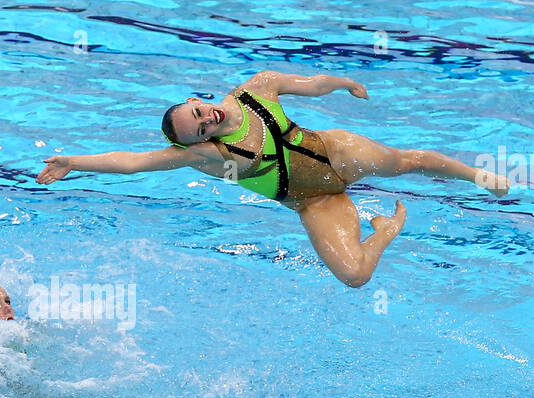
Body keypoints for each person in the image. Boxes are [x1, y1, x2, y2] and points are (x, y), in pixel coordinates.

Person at [36, 70, 510, 287]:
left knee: (410, 160)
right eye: (199, 127)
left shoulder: (255, 88)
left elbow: (310, 84)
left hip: (336, 152)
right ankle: (384, 231)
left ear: (198, 97)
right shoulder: (203, 156)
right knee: (355, 275)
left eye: (199, 111)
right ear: (195, 140)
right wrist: (74, 162)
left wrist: (343, 83)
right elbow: (135, 162)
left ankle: (476, 175)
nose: (207, 119)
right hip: (312, 200)